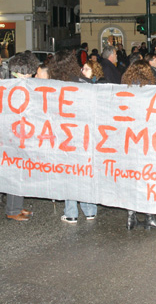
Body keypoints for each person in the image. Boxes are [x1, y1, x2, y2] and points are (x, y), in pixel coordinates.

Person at [47, 50, 99, 224]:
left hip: (64, 135)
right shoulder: (83, 82)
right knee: (83, 172)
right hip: (84, 134)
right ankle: (90, 209)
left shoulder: (54, 85)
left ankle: (71, 212)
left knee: (68, 172)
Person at [121, 61, 156, 230]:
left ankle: (131, 216)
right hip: (146, 140)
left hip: (129, 140)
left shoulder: (124, 89)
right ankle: (149, 216)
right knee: (148, 177)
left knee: (132, 177)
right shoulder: (150, 89)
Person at [3, 51, 40, 221]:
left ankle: (17, 205)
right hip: (14, 134)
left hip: (21, 133)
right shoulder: (13, 86)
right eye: (30, 72)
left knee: (20, 171)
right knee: (15, 172)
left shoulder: (16, 84)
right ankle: (12, 209)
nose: (32, 75)